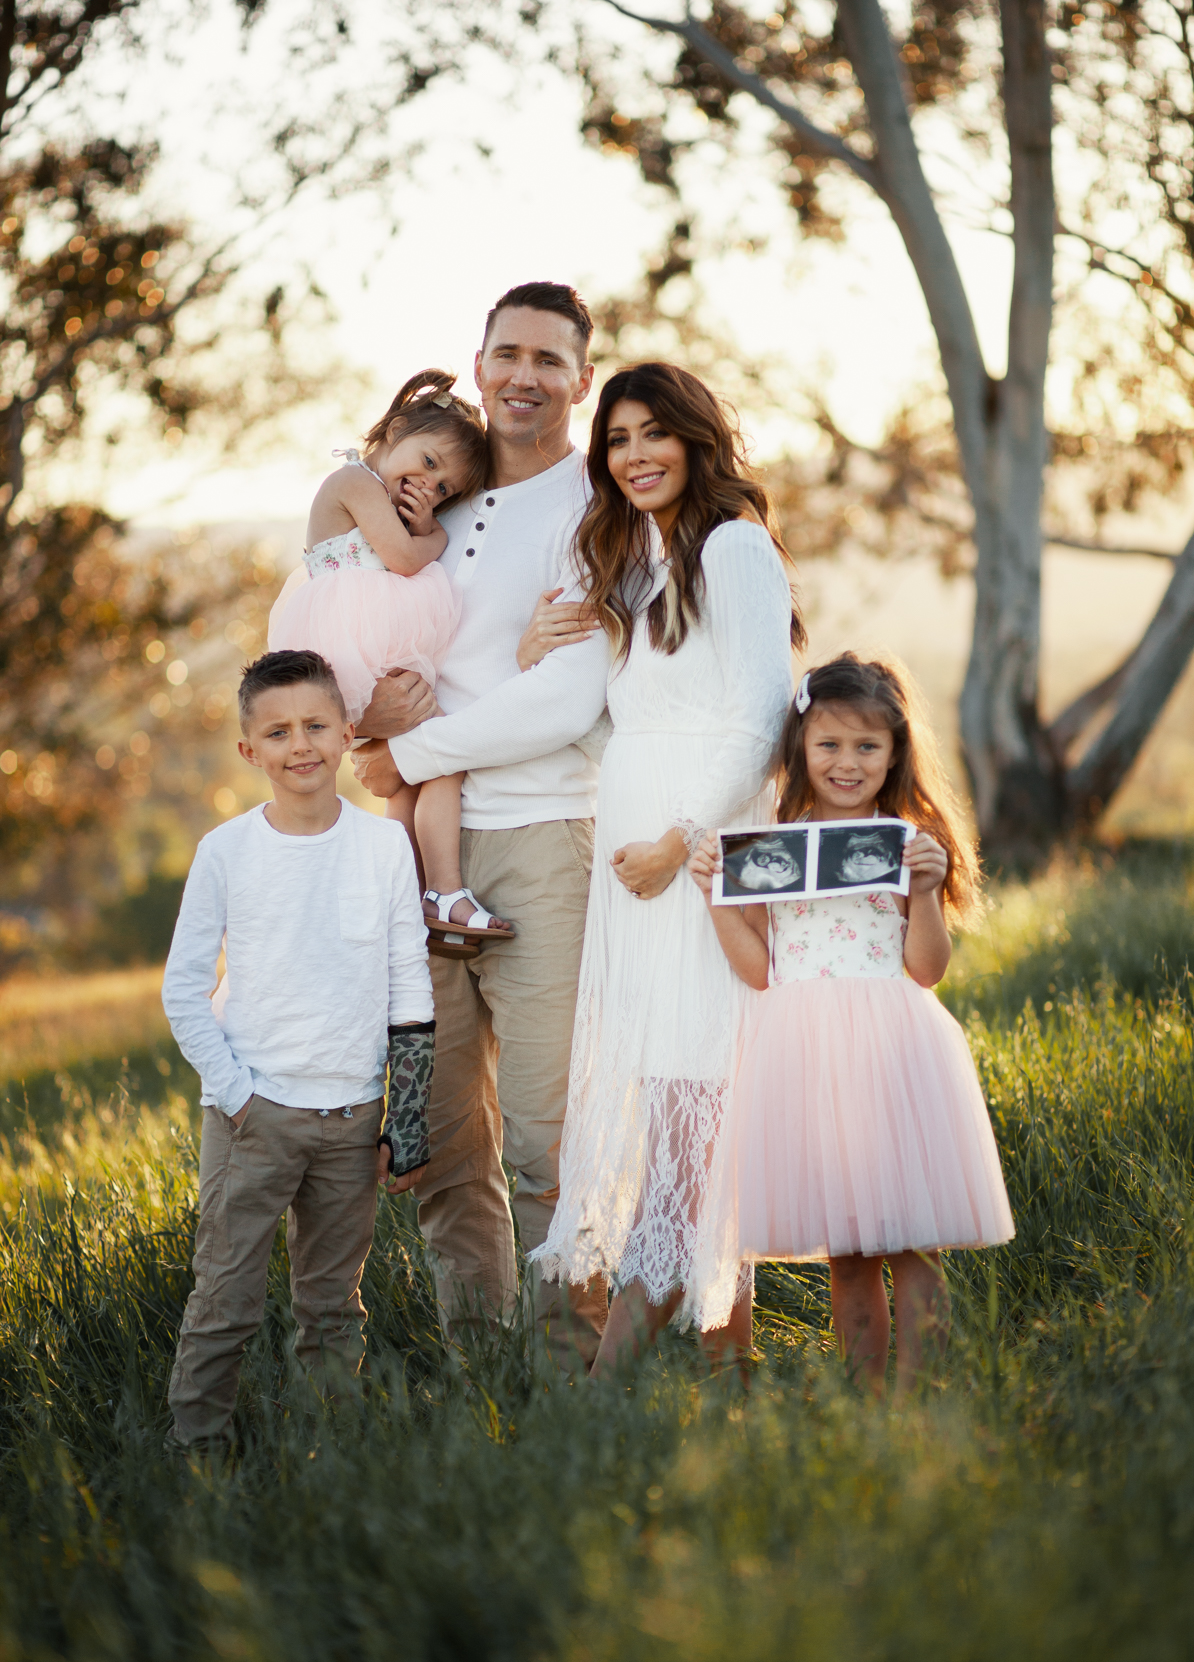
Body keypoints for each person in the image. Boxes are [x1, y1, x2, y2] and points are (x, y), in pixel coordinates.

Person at [350, 282, 613, 1371]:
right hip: (412, 856)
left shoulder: (602, 505)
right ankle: (482, 1372)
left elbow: (568, 699)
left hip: (546, 841)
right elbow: (355, 656)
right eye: (507, 352)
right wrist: (371, 730)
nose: (524, 375)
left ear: (580, 380)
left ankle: (572, 1378)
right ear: (479, 359)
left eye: (550, 360)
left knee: (553, 1133)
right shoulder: (431, 505)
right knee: (449, 1141)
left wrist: (400, 754)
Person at [530, 362, 801, 1373]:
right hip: (639, 861)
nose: (634, 455)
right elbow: (621, 727)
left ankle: (599, 1395)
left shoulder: (734, 549)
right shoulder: (635, 562)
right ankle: (732, 1367)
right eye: (617, 439)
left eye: (654, 434)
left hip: (701, 859)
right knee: (677, 1097)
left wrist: (683, 841)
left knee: (695, 1106)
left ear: (695, 441)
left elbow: (765, 713)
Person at [689, 654, 1015, 1396]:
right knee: (850, 1250)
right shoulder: (773, 841)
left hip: (893, 1045)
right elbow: (761, 970)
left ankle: (916, 1398)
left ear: (896, 751)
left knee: (913, 1243)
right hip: (803, 1051)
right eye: (829, 744)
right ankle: (866, 1402)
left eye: (867, 746)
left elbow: (927, 968)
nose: (847, 762)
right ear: (801, 747)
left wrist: (926, 891)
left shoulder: (906, 840)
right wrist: (716, 895)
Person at [161, 649, 437, 1451]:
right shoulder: (227, 851)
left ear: (348, 734)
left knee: (331, 1303)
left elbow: (408, 983)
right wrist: (239, 1095)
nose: (300, 745)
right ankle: (195, 1450)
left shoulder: (384, 849)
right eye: (277, 732)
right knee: (226, 1295)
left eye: (316, 726)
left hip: (352, 1116)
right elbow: (183, 989)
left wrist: (406, 1117)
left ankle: (331, 1452)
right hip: (254, 1116)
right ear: (250, 751)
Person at [267, 371, 508, 936]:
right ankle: (443, 892)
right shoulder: (353, 480)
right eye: (427, 462)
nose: (429, 486)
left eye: (444, 489)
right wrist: (436, 534)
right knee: (442, 755)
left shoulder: (384, 495)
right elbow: (402, 558)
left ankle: (403, 895)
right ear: (395, 431)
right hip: (351, 644)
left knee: (408, 775)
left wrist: (423, 522)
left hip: (371, 643)